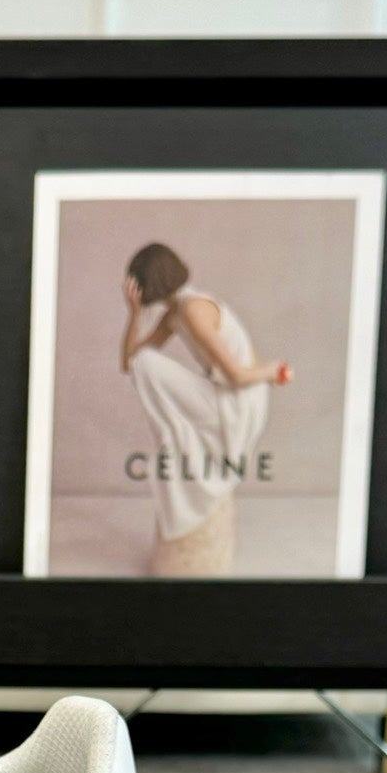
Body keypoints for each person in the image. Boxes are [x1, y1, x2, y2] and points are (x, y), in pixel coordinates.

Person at [120, 241, 291, 576]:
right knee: (144, 362)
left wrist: (272, 372)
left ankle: (178, 436)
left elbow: (238, 376)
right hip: (222, 394)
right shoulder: (175, 313)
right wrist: (134, 315)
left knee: (147, 363)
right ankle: (176, 434)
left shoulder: (194, 310)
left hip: (239, 403)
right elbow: (129, 363)